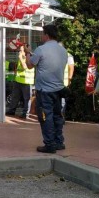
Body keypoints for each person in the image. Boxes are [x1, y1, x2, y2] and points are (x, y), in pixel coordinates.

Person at [24, 25, 67, 153]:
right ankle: (59, 142)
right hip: (58, 89)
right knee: (57, 116)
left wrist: (27, 53)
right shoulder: (63, 50)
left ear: (47, 35)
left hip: (44, 91)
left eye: (42, 34)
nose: (41, 36)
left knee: (45, 117)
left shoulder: (40, 49)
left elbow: (30, 65)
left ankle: (49, 144)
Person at [7, 44, 34, 119]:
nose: (19, 51)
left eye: (21, 50)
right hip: (18, 81)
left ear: (25, 51)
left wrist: (21, 59)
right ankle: (12, 110)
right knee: (15, 96)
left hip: (26, 81)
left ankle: (26, 113)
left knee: (27, 99)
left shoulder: (30, 57)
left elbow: (25, 67)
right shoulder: (21, 57)